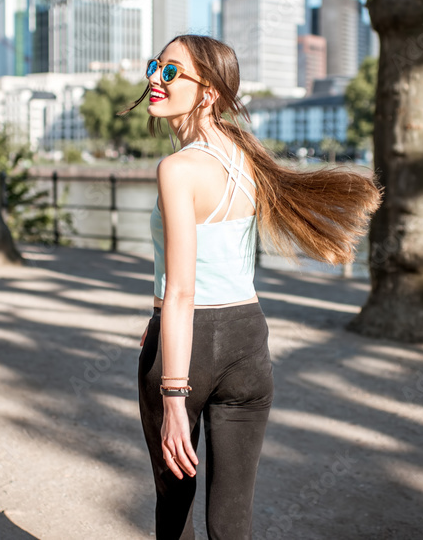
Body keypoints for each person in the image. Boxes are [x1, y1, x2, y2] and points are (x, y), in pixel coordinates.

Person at [123, 35, 382, 539]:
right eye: (156, 66)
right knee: (232, 521)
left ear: (208, 92)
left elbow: (182, 292)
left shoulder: (177, 169)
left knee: (174, 508)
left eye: (172, 72)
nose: (155, 78)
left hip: (187, 347)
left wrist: (174, 397)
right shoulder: (245, 155)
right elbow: (211, 265)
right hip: (247, 341)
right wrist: (157, 317)